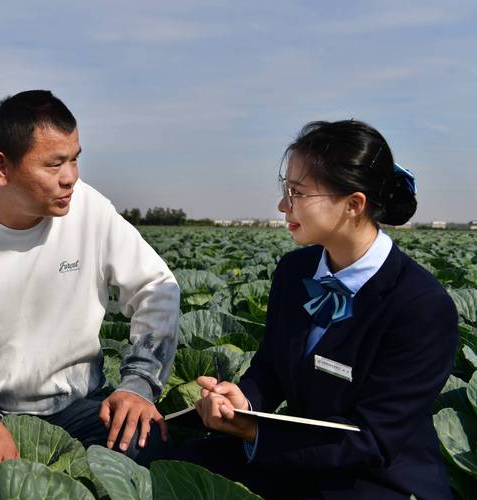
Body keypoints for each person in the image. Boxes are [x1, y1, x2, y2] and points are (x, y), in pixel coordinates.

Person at [0, 90, 180, 464]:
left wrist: (139, 384)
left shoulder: (90, 209)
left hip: (79, 407)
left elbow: (156, 289)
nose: (71, 178)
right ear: (1, 167)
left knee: (145, 445)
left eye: (75, 159)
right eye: (54, 165)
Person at [183, 120, 458, 499]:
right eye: (285, 189)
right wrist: (243, 400)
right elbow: (270, 367)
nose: (283, 205)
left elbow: (373, 440)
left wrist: (257, 431)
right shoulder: (294, 271)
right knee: (170, 461)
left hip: (376, 480)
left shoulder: (421, 306)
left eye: (297, 193)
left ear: (353, 205)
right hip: (296, 463)